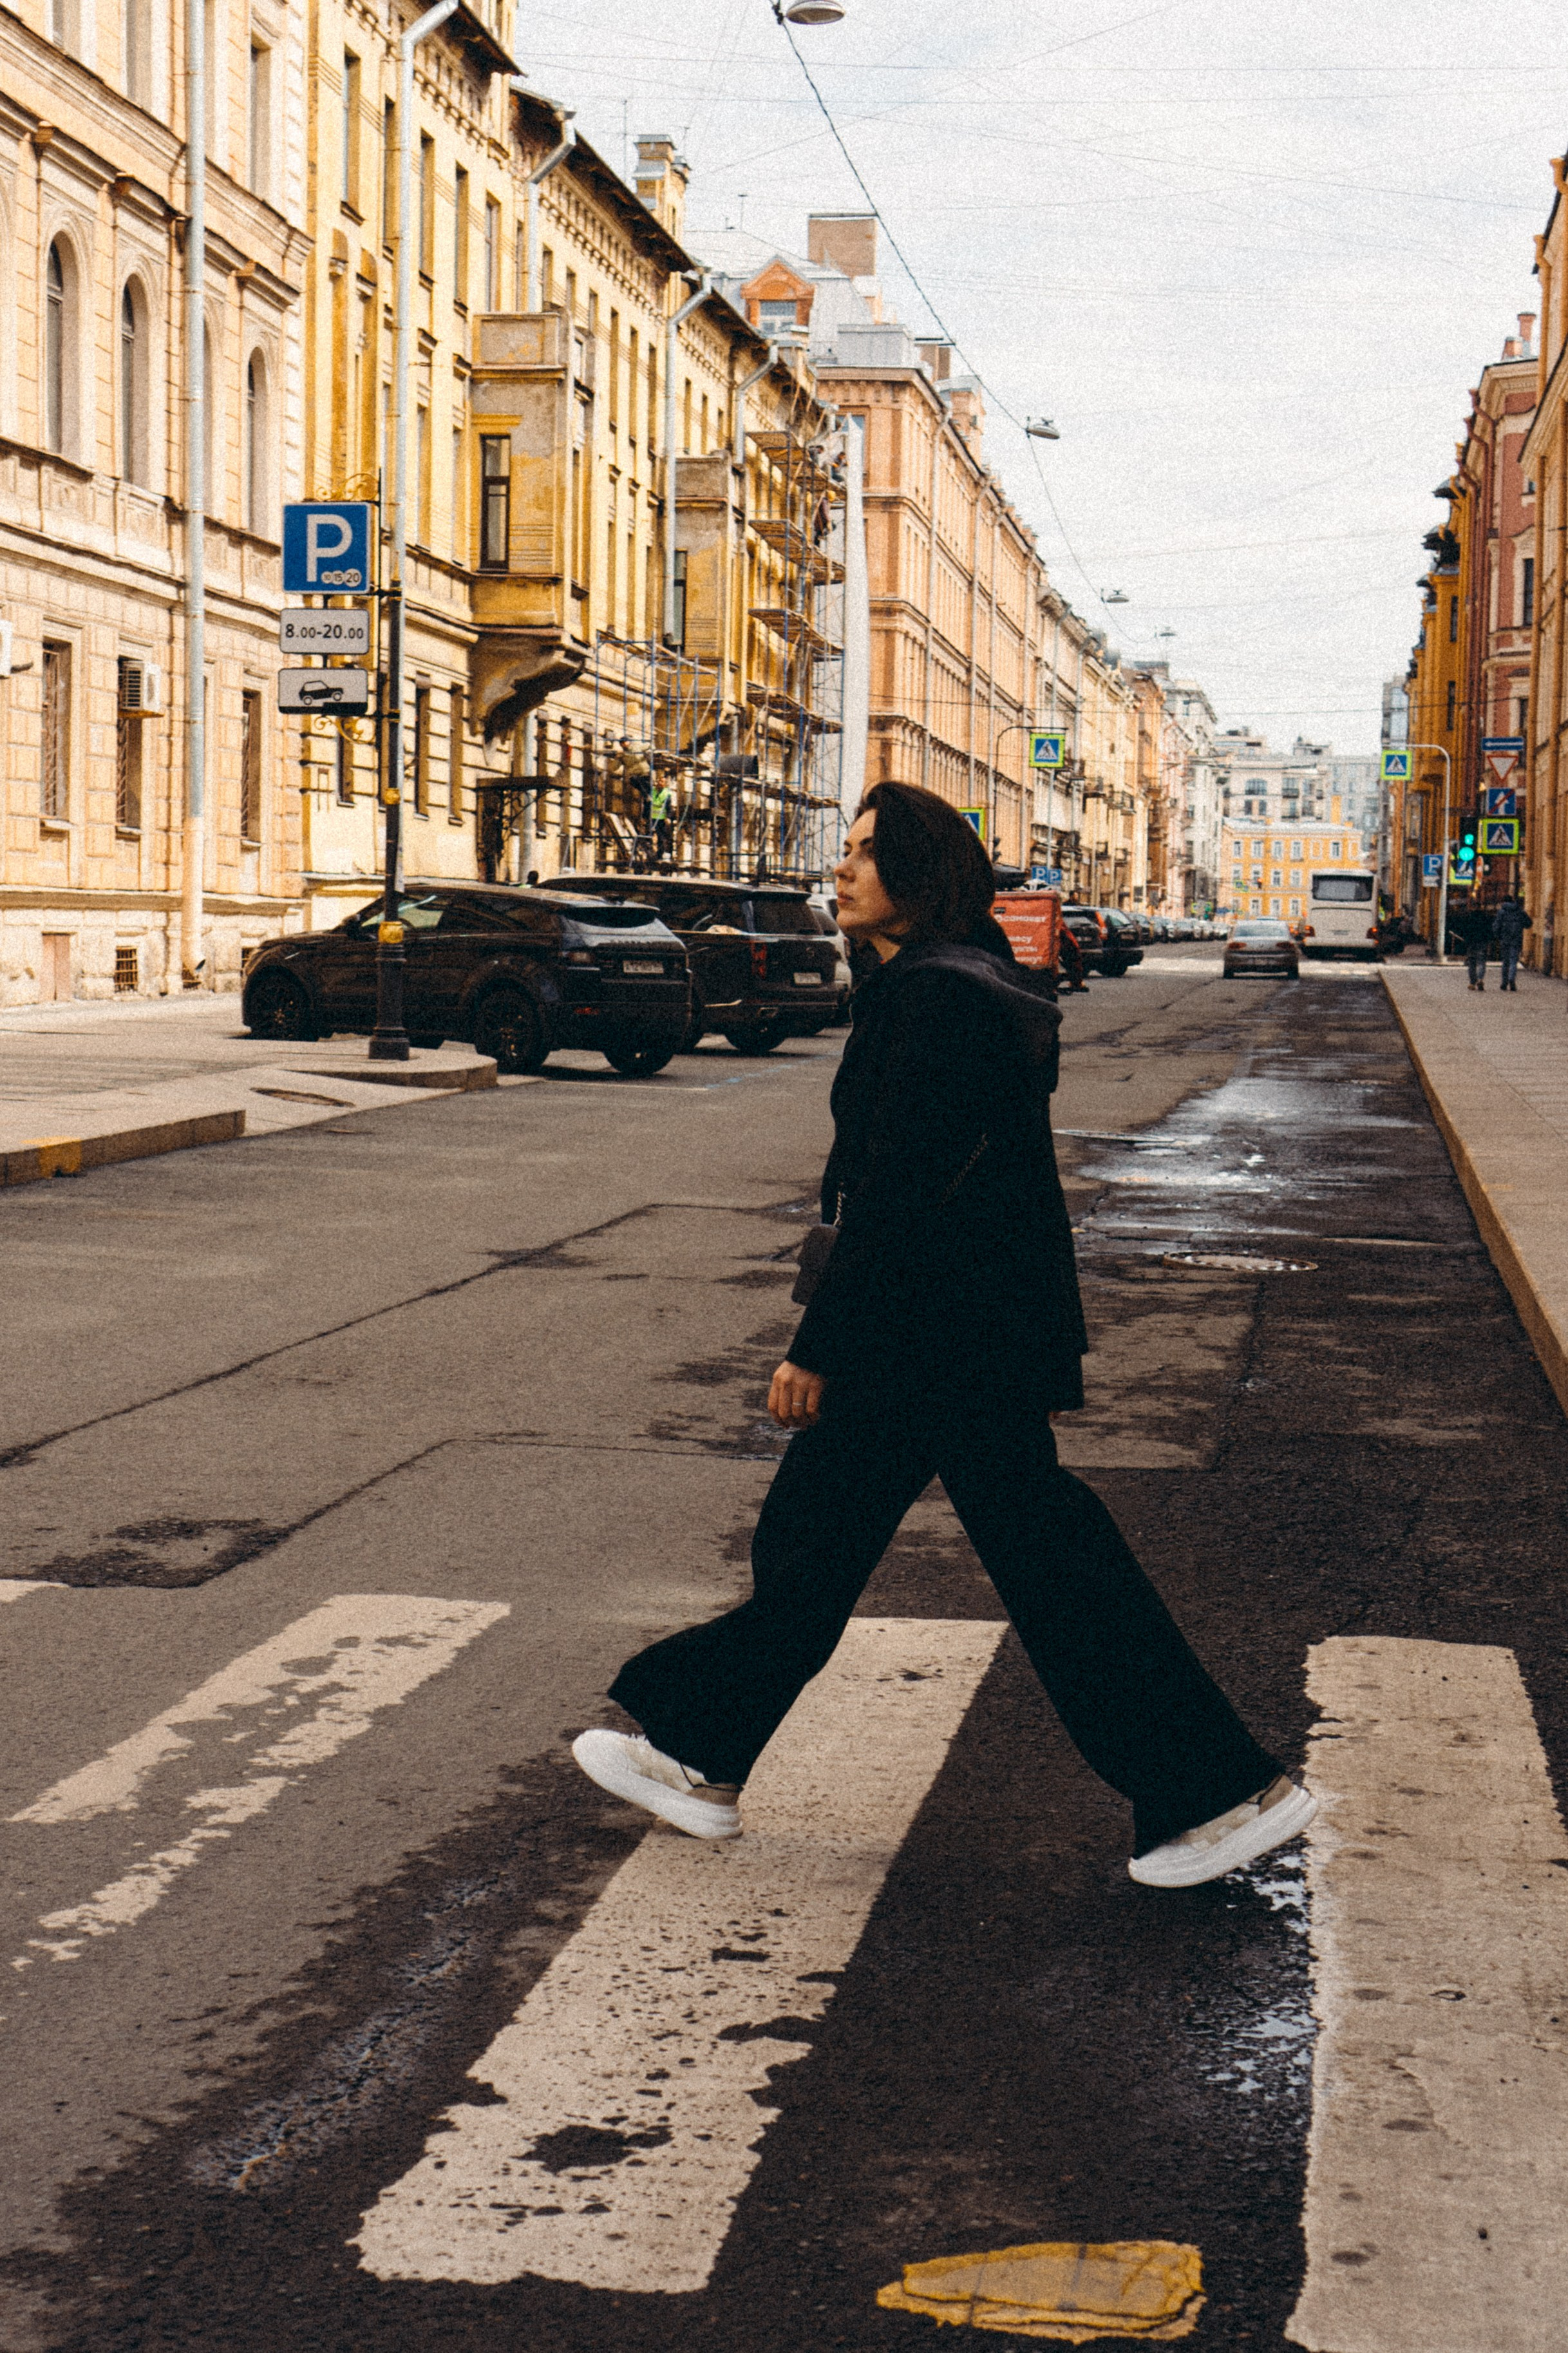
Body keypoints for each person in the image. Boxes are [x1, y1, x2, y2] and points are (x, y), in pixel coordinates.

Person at [573, 779, 1314, 1891]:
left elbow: (903, 1191)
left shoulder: (934, 1000)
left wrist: (819, 1343)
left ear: (920, 877)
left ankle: (1215, 1788)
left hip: (937, 1332)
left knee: (1039, 1562)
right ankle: (702, 1751)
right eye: (848, 850)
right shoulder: (953, 985)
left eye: (868, 855)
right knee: (825, 1545)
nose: (843, 869)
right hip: (956, 1324)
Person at [1495, 892, 1532, 991]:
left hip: (1505, 939)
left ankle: (1504, 982)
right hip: (1517, 939)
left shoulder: (1502, 912)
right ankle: (1512, 979)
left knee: (1505, 962)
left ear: (1503, 902)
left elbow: (1497, 926)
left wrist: (1498, 936)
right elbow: (1529, 924)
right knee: (1513, 961)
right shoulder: (1520, 911)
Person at [1458, 899, 1496, 990]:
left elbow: (1464, 930)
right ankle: (1480, 979)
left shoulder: (1468, 917)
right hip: (1482, 941)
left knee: (1472, 963)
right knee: (1482, 962)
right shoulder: (1486, 917)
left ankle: (1472, 983)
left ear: (1472, 907)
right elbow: (1490, 930)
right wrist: (1489, 940)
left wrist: (1466, 940)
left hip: (1471, 942)